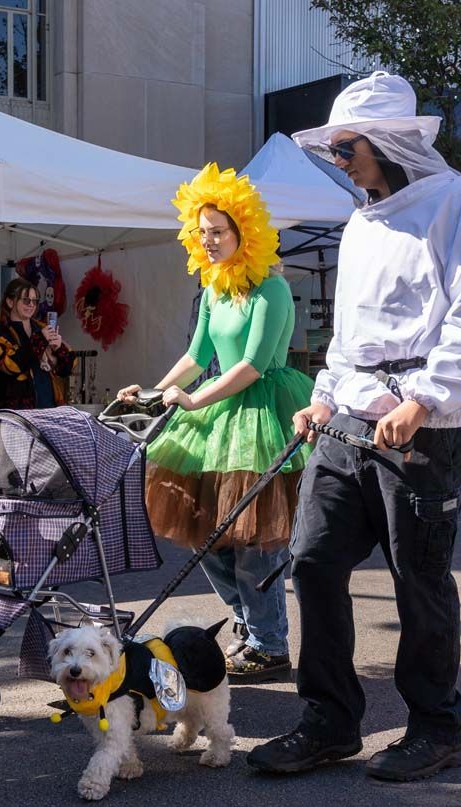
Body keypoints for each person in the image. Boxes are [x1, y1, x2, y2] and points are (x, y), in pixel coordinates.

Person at [247, 72, 461, 780]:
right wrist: (323, 396)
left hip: (423, 426)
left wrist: (425, 399)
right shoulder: (360, 221)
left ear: (388, 142)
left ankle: (438, 730)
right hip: (349, 421)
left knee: (419, 579)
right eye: (333, 151)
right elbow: (349, 334)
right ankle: (329, 722)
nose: (339, 162)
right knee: (312, 561)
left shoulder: (455, 203)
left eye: (346, 148)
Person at [120, 163, 314, 683]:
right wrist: (153, 393)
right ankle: (249, 626)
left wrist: (193, 400)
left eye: (218, 232)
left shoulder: (271, 290)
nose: (207, 241)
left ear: (244, 232)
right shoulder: (212, 290)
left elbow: (251, 366)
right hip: (219, 414)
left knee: (254, 542)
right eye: (201, 232)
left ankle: (269, 644)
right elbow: (196, 355)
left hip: (263, 413)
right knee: (206, 537)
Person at [0, 277, 73, 410]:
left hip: (49, 409)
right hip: (15, 412)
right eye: (26, 300)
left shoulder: (41, 327)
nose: (31, 305)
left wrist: (58, 350)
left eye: (35, 301)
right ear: (10, 302)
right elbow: (12, 365)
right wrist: (40, 339)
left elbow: (67, 369)